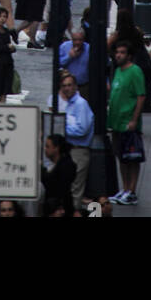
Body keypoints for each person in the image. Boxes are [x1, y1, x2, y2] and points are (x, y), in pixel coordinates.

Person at [107, 41, 147, 205]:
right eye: (117, 52)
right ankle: (124, 189)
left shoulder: (135, 71)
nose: (118, 55)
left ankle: (131, 191)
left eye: (122, 52)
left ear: (129, 55)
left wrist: (134, 120)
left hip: (128, 122)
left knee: (132, 158)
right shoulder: (117, 71)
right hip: (116, 122)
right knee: (122, 157)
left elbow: (141, 96)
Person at [55, 73, 94, 209]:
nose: (67, 88)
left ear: (76, 87)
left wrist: (63, 129)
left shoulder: (80, 104)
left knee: (76, 189)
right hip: (70, 150)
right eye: (64, 86)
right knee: (68, 187)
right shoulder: (70, 104)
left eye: (69, 85)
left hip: (79, 151)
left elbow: (82, 130)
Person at [41, 134, 76, 217]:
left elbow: (54, 185)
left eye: (47, 146)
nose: (45, 149)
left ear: (56, 148)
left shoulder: (66, 166)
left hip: (61, 209)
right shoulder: (53, 165)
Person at [59, 29, 90, 99]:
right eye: (75, 40)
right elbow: (58, 63)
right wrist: (69, 57)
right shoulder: (64, 47)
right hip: (68, 86)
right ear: (71, 39)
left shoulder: (88, 49)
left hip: (83, 86)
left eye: (80, 40)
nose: (77, 42)